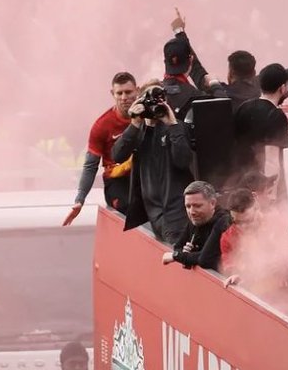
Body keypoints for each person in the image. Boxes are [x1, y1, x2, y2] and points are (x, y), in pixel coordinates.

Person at [231, 19, 288, 195]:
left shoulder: (243, 108)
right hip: (264, 190)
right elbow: (272, 161)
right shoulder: (275, 116)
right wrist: (270, 196)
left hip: (241, 187)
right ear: (283, 88)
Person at [111, 86, 194, 242]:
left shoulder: (177, 127)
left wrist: (173, 125)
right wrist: (134, 122)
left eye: (160, 102)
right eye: (150, 103)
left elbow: (183, 161)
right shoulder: (138, 130)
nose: (155, 107)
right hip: (153, 213)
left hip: (176, 213)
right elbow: (117, 156)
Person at [64, 71, 138, 224]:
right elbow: (91, 165)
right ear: (113, 94)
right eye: (120, 93)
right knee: (127, 210)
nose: (124, 98)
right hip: (117, 181)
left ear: (137, 91)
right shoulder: (102, 125)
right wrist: (80, 198)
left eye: (128, 92)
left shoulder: (148, 116)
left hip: (145, 176)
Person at [160, 182, 231, 272]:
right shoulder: (196, 218)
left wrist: (176, 256)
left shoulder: (224, 222)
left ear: (212, 203)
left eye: (197, 206)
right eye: (188, 206)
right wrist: (187, 254)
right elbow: (178, 247)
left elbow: (205, 259)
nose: (192, 211)